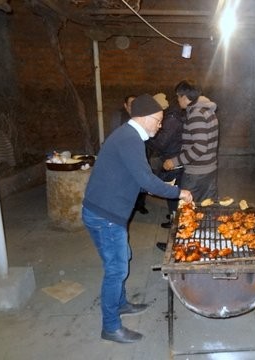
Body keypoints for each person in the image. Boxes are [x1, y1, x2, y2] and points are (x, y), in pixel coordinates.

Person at [82, 94, 193, 343]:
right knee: (116, 269)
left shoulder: (128, 136)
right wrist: (178, 192)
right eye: (158, 120)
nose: (161, 125)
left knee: (119, 260)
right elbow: (144, 179)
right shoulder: (129, 139)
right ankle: (110, 327)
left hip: (99, 210)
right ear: (143, 118)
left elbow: (136, 177)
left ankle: (120, 304)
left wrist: (160, 183)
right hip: (106, 215)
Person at [163, 80, 219, 202]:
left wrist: (174, 161)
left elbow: (200, 147)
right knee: (207, 209)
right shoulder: (207, 111)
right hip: (209, 170)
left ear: (184, 97)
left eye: (178, 96)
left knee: (188, 211)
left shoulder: (196, 115)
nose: (177, 100)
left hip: (196, 174)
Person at [147, 93, 186, 252]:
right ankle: (173, 222)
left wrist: (147, 137)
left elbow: (162, 143)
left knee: (173, 195)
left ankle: (176, 241)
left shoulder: (171, 119)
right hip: (172, 159)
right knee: (172, 196)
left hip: (172, 161)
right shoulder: (173, 115)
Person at [109, 94, 149, 215]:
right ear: (125, 105)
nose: (133, 106)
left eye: (135, 103)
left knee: (141, 177)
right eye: (131, 104)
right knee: (127, 181)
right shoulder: (119, 116)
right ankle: (127, 205)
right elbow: (114, 134)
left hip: (141, 150)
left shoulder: (141, 115)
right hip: (124, 154)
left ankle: (140, 204)